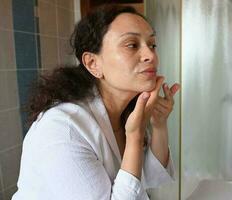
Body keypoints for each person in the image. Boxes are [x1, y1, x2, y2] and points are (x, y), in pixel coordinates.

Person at [12, 5, 180, 200]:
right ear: (93, 63)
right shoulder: (63, 128)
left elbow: (150, 177)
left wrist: (158, 124)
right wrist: (135, 135)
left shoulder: (124, 113)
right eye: (132, 45)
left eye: (152, 44)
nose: (150, 55)